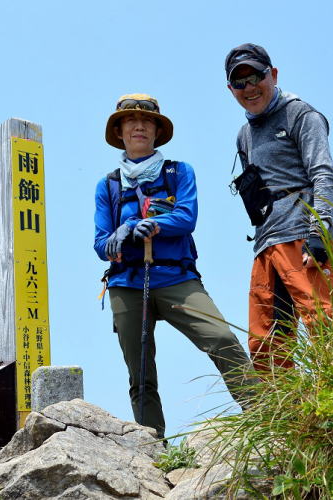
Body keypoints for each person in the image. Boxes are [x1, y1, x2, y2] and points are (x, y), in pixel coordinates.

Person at [94, 93, 252, 439]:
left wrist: (153, 225)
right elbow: (100, 244)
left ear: (157, 130)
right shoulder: (107, 185)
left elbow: (186, 217)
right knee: (140, 372)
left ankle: (267, 415)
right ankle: (154, 448)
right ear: (119, 131)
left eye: (147, 121)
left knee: (222, 338)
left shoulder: (178, 172)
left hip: (177, 277)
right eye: (130, 121)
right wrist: (122, 233)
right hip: (127, 283)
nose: (139, 126)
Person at [224, 43, 333, 372]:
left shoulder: (302, 114)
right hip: (266, 242)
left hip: (303, 234)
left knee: (325, 323)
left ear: (272, 75)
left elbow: (324, 175)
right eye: (239, 82)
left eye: (255, 77)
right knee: (265, 342)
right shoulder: (244, 135)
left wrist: (319, 234)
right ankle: (290, 418)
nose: (249, 88)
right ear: (230, 89)